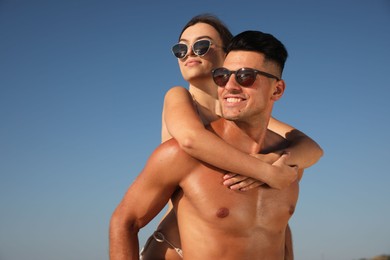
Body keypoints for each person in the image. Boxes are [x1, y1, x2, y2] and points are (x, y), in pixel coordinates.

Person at [110, 29, 308, 259]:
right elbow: (124, 221)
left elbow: (281, 231)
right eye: (223, 76)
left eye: (245, 76)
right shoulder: (180, 156)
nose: (230, 86)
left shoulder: (289, 163)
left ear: (277, 89)